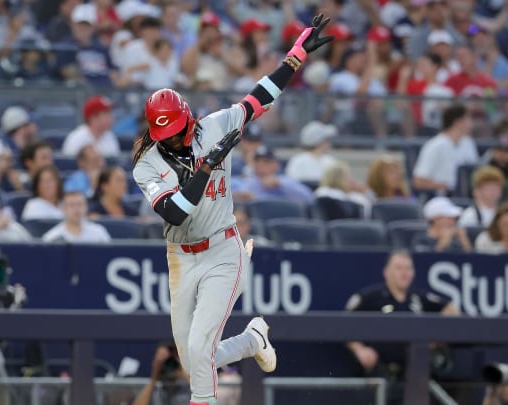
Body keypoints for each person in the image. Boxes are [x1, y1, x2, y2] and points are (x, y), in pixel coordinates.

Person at [131, 14, 333, 404]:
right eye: (163, 134)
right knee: (193, 358)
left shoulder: (214, 126)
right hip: (181, 257)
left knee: (201, 352)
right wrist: (206, 168)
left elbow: (259, 98)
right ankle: (252, 340)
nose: (170, 140)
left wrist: (294, 56)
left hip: (223, 250)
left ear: (186, 119)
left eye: (174, 130)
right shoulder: (147, 163)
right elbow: (175, 212)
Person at [345, 251, 458, 403]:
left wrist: (435, 339)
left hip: (414, 374)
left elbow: (451, 310)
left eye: (408, 268)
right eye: (398, 268)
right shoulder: (371, 297)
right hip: (379, 373)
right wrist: (359, 349)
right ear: (386, 272)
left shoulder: (418, 297)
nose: (404, 273)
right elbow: (345, 323)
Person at [412, 104, 473, 192]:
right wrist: (445, 186)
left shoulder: (468, 143)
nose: (471, 124)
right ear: (458, 122)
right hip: (443, 198)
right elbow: (418, 181)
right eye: (468, 120)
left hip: (468, 195)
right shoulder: (435, 145)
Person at [232, 145, 314, 203]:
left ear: (276, 165)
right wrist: (238, 196)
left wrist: (280, 184)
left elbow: (309, 198)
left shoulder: (286, 180)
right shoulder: (249, 182)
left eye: (266, 162)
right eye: (257, 162)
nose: (261, 166)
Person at [132, 340, 191, 405]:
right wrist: (154, 379)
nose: (169, 364)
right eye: (164, 360)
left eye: (172, 359)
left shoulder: (189, 386)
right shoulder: (150, 388)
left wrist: (183, 373)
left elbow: (202, 399)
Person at [42, 191, 111, 243]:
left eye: (80, 204)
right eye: (71, 205)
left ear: (86, 207)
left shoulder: (99, 232)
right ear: (63, 209)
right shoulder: (52, 237)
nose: (76, 209)